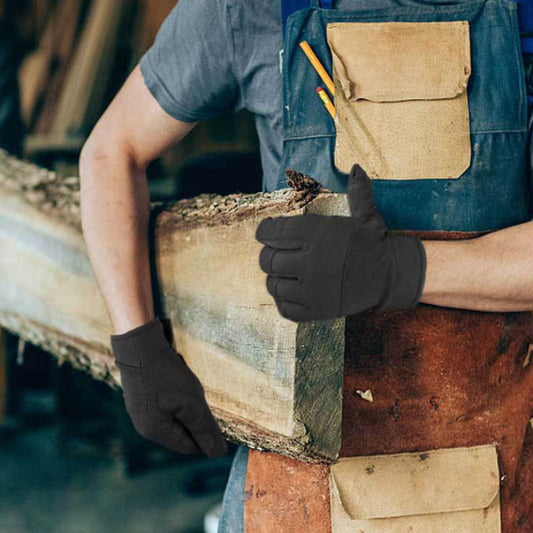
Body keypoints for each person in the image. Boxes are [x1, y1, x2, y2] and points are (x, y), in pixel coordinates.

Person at [79, 0, 533, 530]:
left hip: (496, 466)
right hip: (295, 476)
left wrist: (401, 269)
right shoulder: (248, 11)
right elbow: (112, 150)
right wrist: (138, 350)